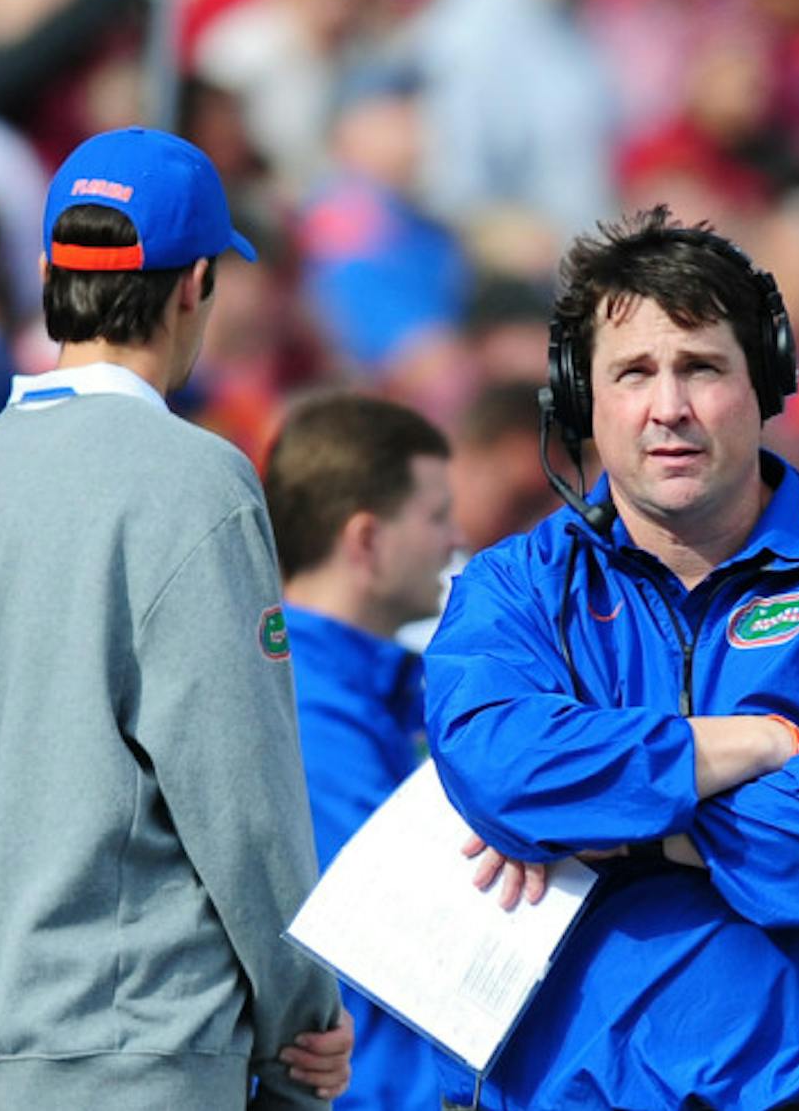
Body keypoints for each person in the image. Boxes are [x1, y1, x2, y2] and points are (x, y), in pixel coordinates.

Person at [424, 205, 799, 1110]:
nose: (669, 407)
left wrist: (632, 828)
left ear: (766, 382)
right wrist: (745, 746)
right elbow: (504, 770)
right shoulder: (513, 590)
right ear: (580, 399)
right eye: (633, 372)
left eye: (702, 368)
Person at [0, 127, 351, 1109]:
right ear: (194, 286)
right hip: (146, 1041)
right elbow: (240, 787)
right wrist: (304, 1010)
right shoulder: (197, 480)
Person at [262, 391, 458, 1110]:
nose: (453, 540)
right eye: (437, 516)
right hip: (367, 1090)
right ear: (366, 540)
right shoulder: (298, 704)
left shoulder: (381, 687)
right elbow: (415, 914)